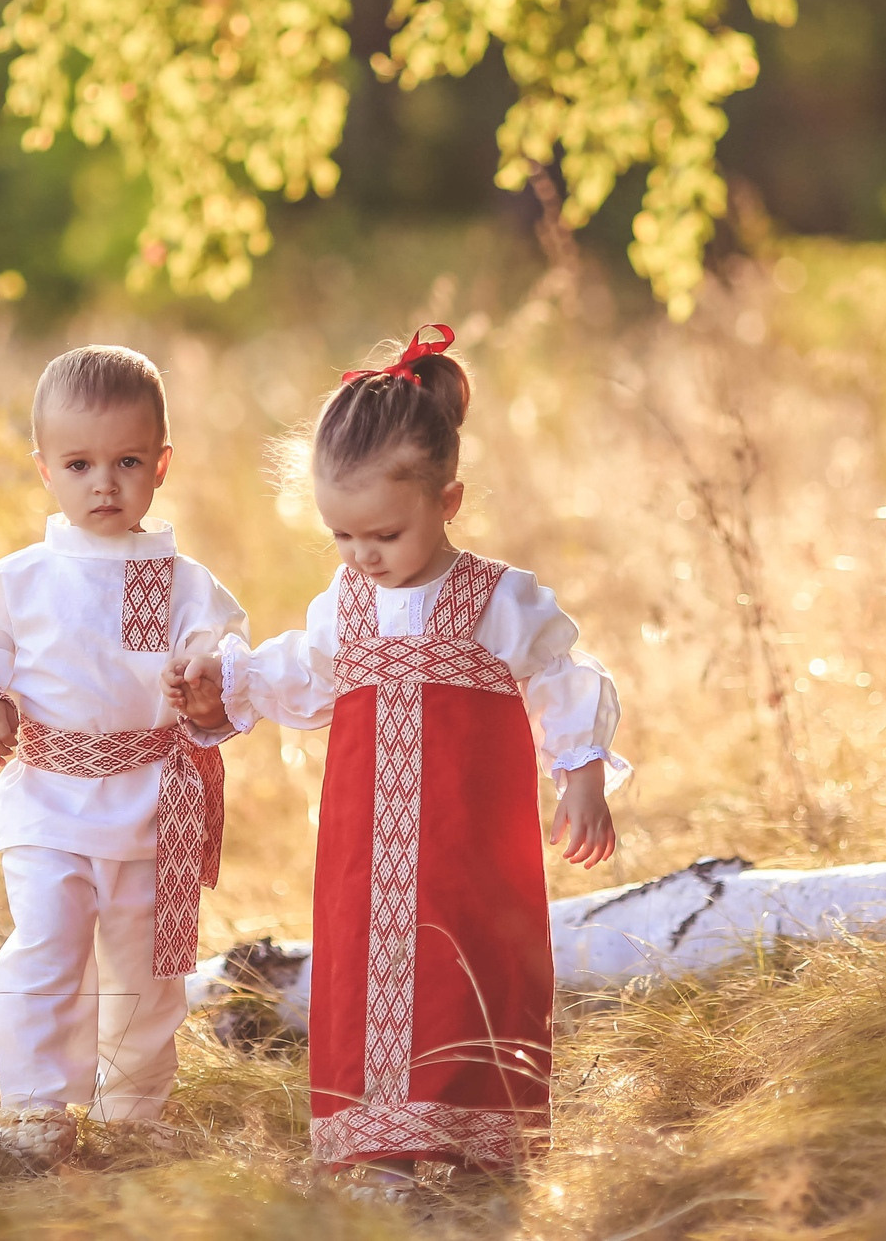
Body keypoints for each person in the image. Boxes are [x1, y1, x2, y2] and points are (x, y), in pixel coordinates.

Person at [171, 324, 625, 1184]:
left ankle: (483, 1144)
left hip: (469, 847)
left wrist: (583, 777)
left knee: (472, 968)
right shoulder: (346, 603)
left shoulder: (499, 599)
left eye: (381, 533)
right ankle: (383, 1156)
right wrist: (221, 685)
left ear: (447, 502)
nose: (361, 556)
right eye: (341, 536)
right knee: (362, 971)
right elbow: (299, 673)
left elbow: (565, 678)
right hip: (366, 848)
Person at [0, 344, 246, 1169]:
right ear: (45, 469)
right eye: (79, 464)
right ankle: (34, 1107)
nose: (104, 483)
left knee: (146, 965)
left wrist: (203, 676)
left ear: (161, 464)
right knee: (48, 944)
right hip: (49, 801)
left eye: (127, 461)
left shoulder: (183, 582)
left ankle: (132, 1107)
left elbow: (224, 645)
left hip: (150, 803)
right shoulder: (19, 580)